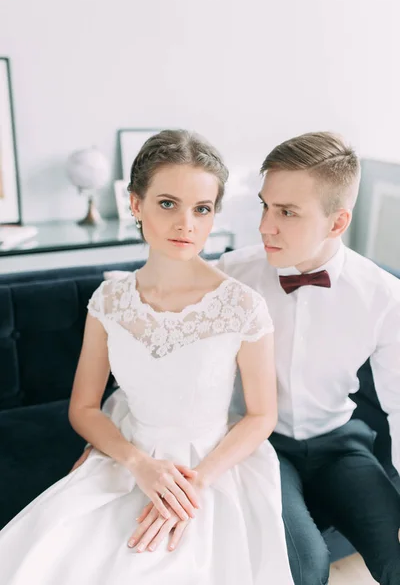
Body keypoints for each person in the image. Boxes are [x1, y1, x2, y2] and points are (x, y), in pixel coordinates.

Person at [80, 131, 400, 585]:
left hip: (339, 442)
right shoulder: (231, 275)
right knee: (300, 567)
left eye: (287, 213)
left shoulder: (385, 296)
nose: (265, 225)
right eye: (265, 205)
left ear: (337, 222)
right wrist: (104, 440)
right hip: (254, 445)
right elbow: (152, 342)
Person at [0, 129, 294, 585]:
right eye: (167, 203)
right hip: (125, 458)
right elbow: (83, 407)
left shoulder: (242, 306)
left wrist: (194, 484)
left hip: (212, 468)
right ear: (135, 205)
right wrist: (137, 464)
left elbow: (260, 415)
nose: (186, 225)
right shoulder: (110, 301)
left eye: (201, 209)